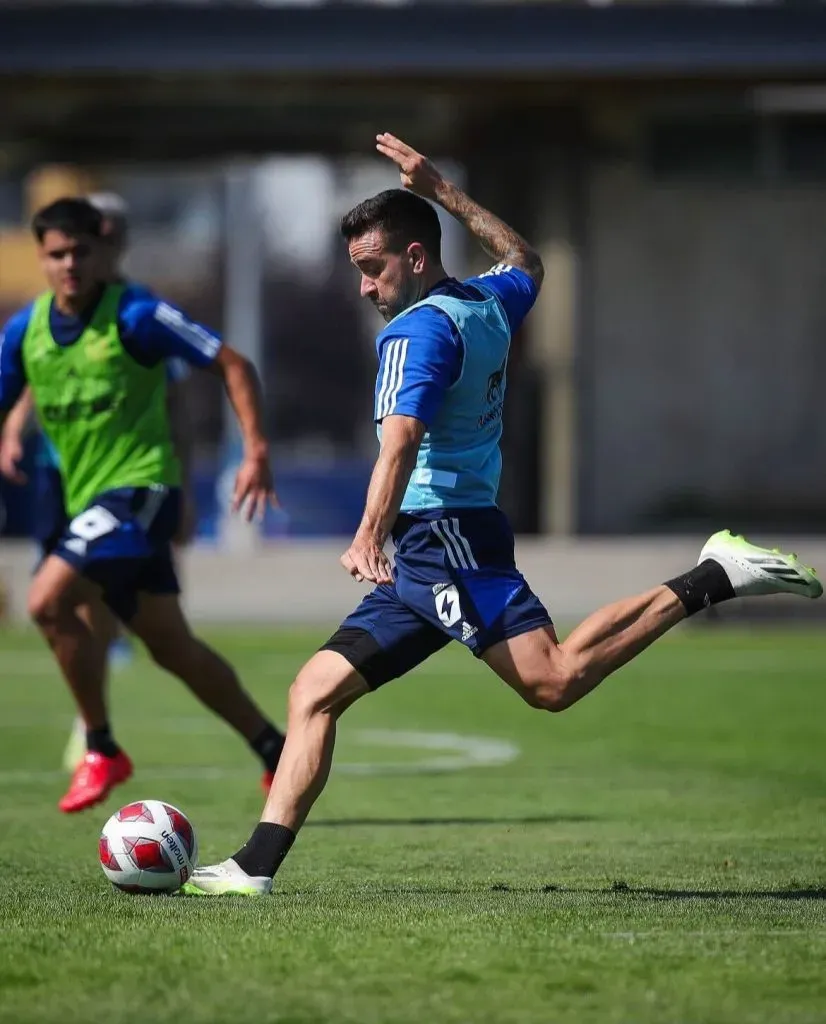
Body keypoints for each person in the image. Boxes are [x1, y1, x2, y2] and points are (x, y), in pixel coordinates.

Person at [182, 133, 822, 897]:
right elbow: (527, 261)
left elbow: (401, 444)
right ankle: (255, 869)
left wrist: (365, 535)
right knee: (314, 691)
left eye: (371, 268)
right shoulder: (484, 300)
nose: (363, 288)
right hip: (436, 540)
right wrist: (444, 190)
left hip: (443, 536)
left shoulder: (413, 332)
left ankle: (715, 575)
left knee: (552, 682)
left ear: (416, 258)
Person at [0, 196, 285, 813]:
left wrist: (255, 450)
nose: (70, 263)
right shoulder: (26, 332)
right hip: (89, 505)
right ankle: (273, 748)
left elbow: (233, 364)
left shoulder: (136, 315)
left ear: (101, 252)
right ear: (42, 259)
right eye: (56, 254)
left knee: (45, 600)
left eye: (81, 251)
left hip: (144, 490)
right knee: (172, 647)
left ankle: (100, 746)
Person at [0, 191, 196, 773]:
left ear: (112, 241)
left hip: (128, 477)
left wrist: (181, 485)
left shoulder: (139, 313)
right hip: (60, 475)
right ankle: (95, 728)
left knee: (80, 595)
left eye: (95, 237)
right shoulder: (52, 312)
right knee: (67, 599)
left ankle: (93, 732)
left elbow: (175, 397)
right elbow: (38, 373)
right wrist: (14, 426)